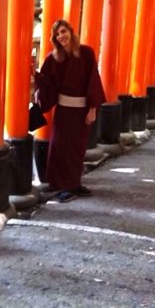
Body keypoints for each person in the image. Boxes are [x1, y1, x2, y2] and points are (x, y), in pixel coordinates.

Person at [34, 19, 106, 203]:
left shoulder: (86, 53)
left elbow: (93, 82)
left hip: (81, 111)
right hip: (64, 110)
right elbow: (47, 83)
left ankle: (73, 184)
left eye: (63, 31)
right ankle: (61, 184)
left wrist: (93, 108)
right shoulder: (53, 58)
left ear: (71, 32)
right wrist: (33, 74)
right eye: (57, 34)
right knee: (59, 147)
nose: (61, 36)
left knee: (76, 149)